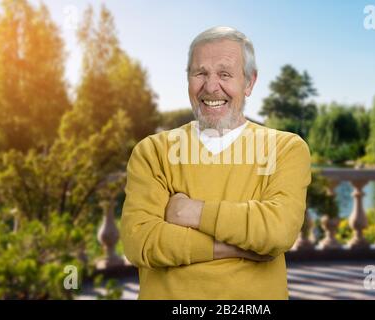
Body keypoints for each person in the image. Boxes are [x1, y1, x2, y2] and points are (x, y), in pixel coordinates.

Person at [120, 26, 311, 300]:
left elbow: (277, 231)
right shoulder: (152, 152)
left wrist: (191, 212)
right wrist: (239, 246)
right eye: (200, 73)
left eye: (225, 74)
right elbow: (140, 242)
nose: (211, 87)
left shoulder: (286, 149)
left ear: (249, 82)